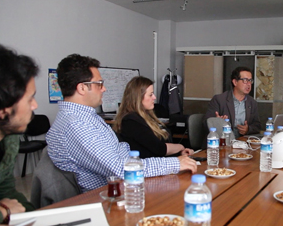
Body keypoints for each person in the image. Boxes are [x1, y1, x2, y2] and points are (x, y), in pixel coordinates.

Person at [46, 54, 197, 193]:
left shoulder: (86, 118)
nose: (104, 89)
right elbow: (120, 169)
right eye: (99, 84)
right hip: (106, 197)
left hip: (119, 187)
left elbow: (121, 154)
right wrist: (175, 163)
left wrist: (173, 161)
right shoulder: (77, 125)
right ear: (82, 88)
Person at [0, 43, 37, 225]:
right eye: (30, 99)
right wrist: (0, 211)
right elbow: (6, 205)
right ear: (3, 108)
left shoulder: (7, 140)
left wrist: (37, 221)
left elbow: (7, 194)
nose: (35, 106)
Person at [113, 76, 193, 158]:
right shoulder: (131, 121)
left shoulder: (146, 116)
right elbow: (160, 149)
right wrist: (180, 147)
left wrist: (180, 152)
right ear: (138, 98)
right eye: (150, 95)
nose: (154, 97)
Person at [203, 66, 261, 138]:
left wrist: (248, 129)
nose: (249, 84)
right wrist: (217, 122)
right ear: (235, 82)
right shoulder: (219, 99)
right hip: (221, 142)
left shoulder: (252, 102)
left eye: (250, 80)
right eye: (245, 80)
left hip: (242, 142)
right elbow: (205, 123)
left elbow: (257, 125)